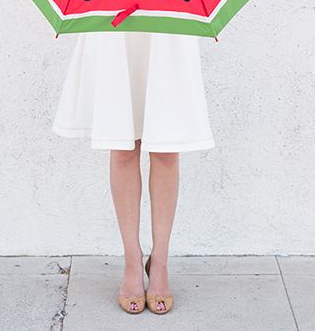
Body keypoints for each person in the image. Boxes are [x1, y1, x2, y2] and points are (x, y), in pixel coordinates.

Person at [53, 29, 214, 314]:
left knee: (166, 150)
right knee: (123, 148)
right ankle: (132, 259)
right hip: (117, 20)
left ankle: (160, 261)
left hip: (167, 18)